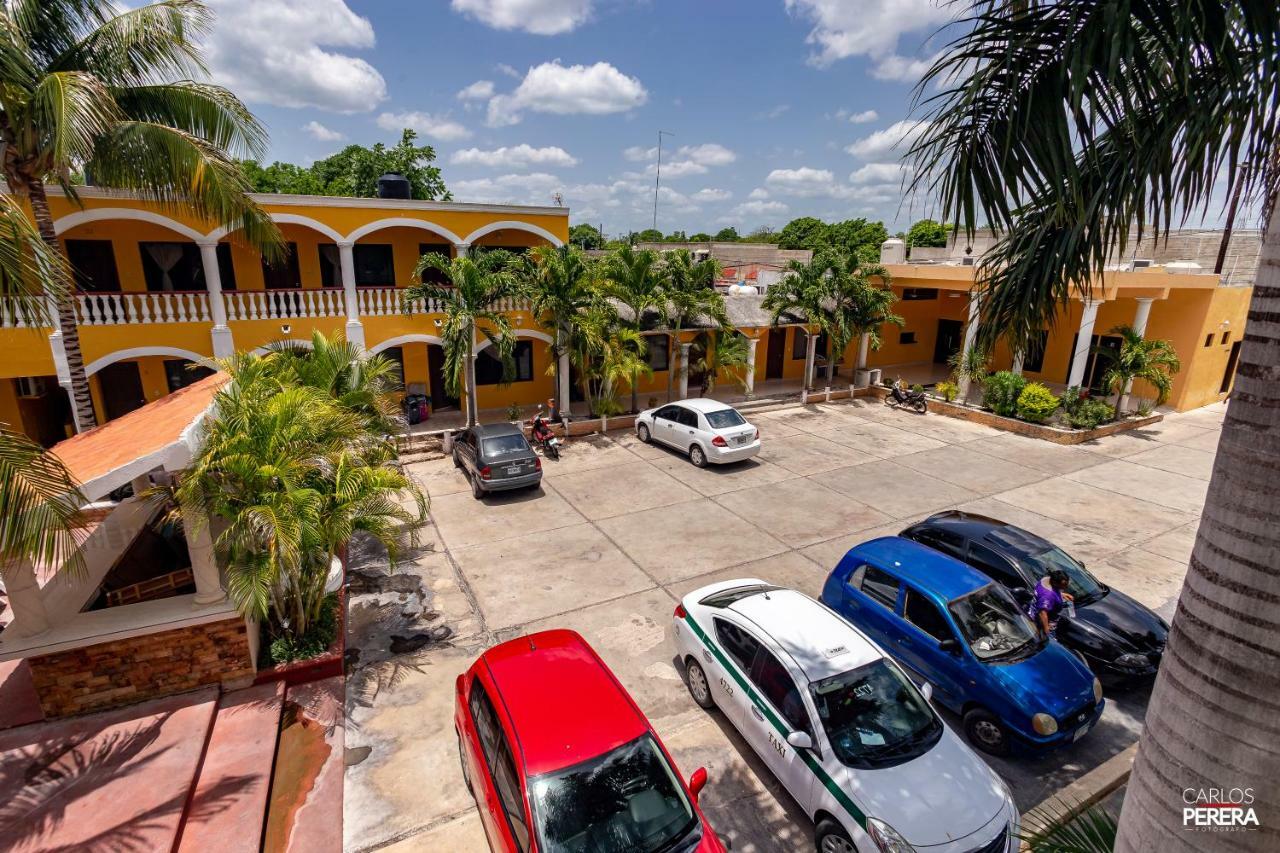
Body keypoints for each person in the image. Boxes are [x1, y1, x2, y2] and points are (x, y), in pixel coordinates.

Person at [1027, 569, 1074, 639]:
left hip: (1034, 612)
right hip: (1042, 622)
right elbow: (1042, 613)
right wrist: (1047, 631)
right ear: (1055, 583)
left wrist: (1061, 594)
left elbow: (1047, 592)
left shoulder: (1046, 580)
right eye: (1063, 585)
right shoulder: (1048, 595)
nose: (1066, 586)